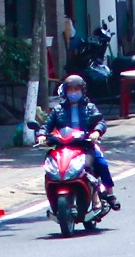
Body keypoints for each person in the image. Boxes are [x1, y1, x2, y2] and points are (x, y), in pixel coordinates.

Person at [41, 73, 117, 207]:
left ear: (82, 91)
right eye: (71, 90)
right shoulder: (58, 110)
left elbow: (100, 122)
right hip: (63, 146)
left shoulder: (90, 107)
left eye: (77, 90)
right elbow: (47, 125)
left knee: (100, 164)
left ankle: (106, 194)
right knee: (51, 168)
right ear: (65, 92)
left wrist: (96, 131)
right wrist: (41, 135)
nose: (73, 93)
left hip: (85, 145)